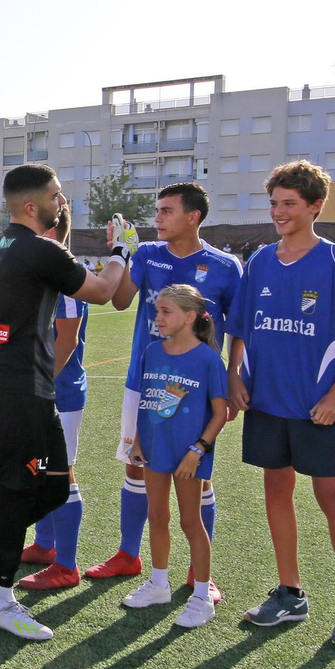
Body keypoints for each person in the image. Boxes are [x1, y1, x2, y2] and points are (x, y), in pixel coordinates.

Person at [0, 163, 128, 640]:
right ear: (32, 205)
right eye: (56, 194)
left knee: (50, 489)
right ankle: (3, 601)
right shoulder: (40, 249)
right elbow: (106, 292)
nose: (62, 201)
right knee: (20, 490)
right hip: (20, 390)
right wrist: (120, 250)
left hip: (21, 388)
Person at [229, 160, 335, 648]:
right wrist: (234, 376)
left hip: (318, 405)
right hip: (267, 400)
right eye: (274, 203)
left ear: (315, 206)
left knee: (330, 494)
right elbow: (241, 330)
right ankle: (290, 592)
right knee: (276, 490)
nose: (279, 212)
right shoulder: (262, 262)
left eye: (289, 204)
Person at [87, 183, 238, 600]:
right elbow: (118, 302)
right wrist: (121, 251)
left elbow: (238, 329)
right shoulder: (149, 255)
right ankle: (128, 554)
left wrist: (236, 376)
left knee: (197, 478)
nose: (158, 219)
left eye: (167, 211)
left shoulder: (225, 265)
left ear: (193, 216)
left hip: (198, 389)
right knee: (137, 465)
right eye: (157, 211)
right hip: (146, 380)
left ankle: (197, 570)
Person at [122, 285, 229, 628]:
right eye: (157, 311)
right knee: (157, 516)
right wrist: (137, 441)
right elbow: (148, 400)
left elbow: (221, 413)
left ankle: (201, 596)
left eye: (166, 311)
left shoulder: (208, 359)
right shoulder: (152, 351)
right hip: (154, 449)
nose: (159, 318)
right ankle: (159, 583)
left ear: (190, 317)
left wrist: (197, 450)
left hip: (188, 455)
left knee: (189, 521)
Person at [18, 206, 89, 591]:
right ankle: (45, 545)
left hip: (59, 391)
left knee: (63, 474)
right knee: (43, 470)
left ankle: (67, 564)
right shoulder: (41, 269)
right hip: (42, 389)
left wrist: (41, 383)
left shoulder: (66, 272)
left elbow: (68, 338)